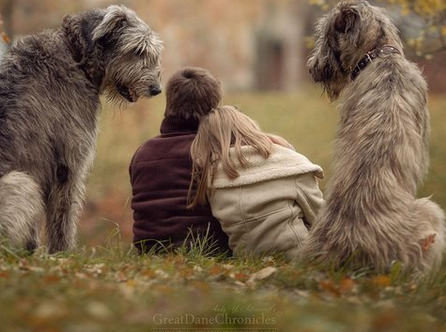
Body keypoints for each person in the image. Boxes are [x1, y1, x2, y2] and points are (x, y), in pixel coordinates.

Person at [188, 105, 325, 259]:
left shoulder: (211, 180)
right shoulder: (289, 165)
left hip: (246, 260)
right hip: (298, 257)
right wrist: (289, 152)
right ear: (249, 128)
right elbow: (321, 219)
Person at [129, 67, 232, 255]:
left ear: (169, 103)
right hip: (208, 251)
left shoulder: (142, 154)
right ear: (214, 109)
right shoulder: (215, 152)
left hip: (150, 251)